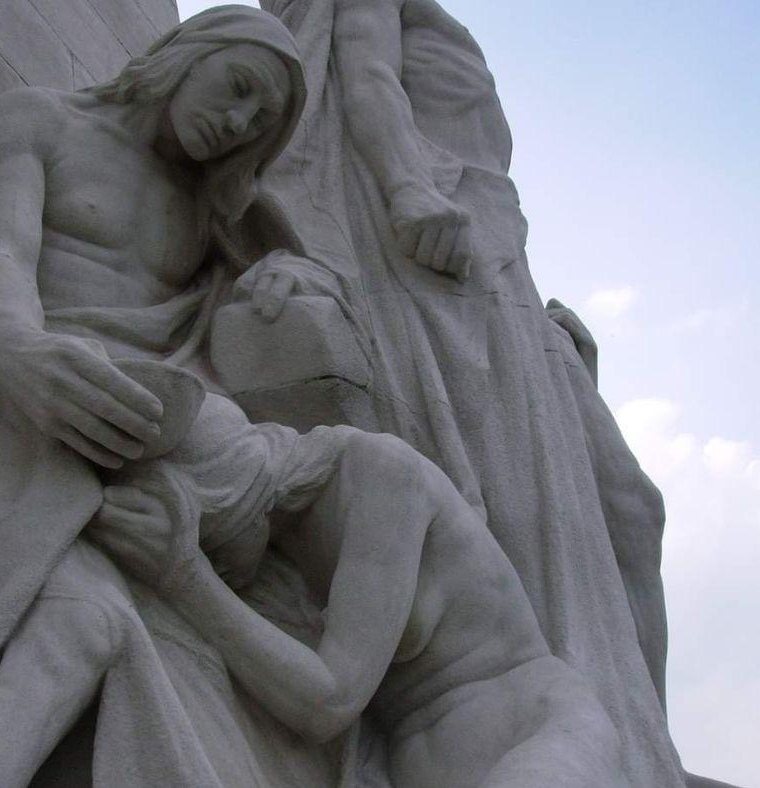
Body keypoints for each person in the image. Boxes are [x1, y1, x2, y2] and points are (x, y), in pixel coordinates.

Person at [0, 8, 330, 787]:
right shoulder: (38, 120)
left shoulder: (213, 208)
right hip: (32, 409)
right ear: (188, 52)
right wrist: (20, 352)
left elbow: (303, 277)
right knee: (73, 629)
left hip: (152, 445)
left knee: (94, 634)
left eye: (259, 123)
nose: (237, 122)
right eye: (238, 87)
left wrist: (292, 273)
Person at [257, 0, 684, 784]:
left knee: (631, 510)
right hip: (438, 259)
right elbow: (365, 73)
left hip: (491, 259)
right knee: (524, 502)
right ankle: (595, 730)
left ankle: (641, 741)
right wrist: (406, 188)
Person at [95, 408, 629, 788]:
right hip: (407, 768)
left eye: (208, 541)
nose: (220, 567)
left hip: (533, 733)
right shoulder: (271, 564)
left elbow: (329, 702)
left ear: (233, 495)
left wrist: (186, 576)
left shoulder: (379, 472)